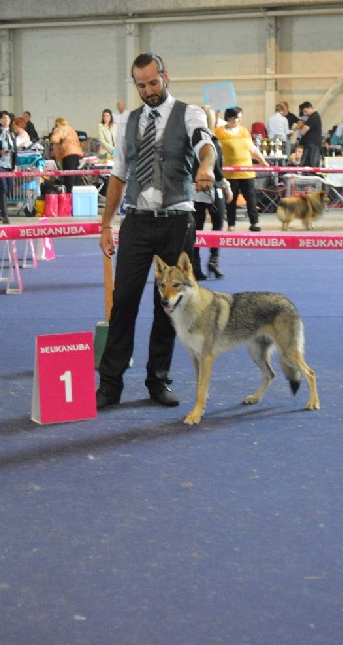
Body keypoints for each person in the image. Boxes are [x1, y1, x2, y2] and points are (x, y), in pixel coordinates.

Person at [96, 52, 216, 410]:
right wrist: (106, 225)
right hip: (137, 220)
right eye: (141, 85)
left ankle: (158, 380)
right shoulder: (128, 121)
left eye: (153, 82)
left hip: (177, 220)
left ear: (166, 76)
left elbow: (205, 145)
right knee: (124, 304)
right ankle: (110, 384)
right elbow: (119, 175)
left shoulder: (189, 112)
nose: (148, 90)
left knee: (168, 305)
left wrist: (205, 166)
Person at [192, 105, 233, 281]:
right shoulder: (211, 141)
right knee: (217, 225)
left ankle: (196, 265)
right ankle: (213, 260)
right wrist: (226, 184)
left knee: (197, 228)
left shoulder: (190, 139)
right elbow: (217, 168)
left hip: (194, 188)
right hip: (213, 187)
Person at [214, 106, 268, 232]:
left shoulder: (244, 131)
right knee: (230, 200)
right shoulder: (219, 132)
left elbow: (252, 149)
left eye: (239, 118)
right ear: (229, 117)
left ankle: (254, 222)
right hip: (230, 173)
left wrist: (263, 162)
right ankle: (231, 224)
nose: (238, 120)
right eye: (235, 117)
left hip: (247, 172)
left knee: (251, 199)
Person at [50, 117, 83, 193]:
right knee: (75, 176)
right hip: (77, 153)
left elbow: (54, 139)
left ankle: (69, 196)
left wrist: (54, 133)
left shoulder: (61, 128)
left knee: (68, 178)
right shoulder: (72, 129)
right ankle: (75, 196)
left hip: (68, 154)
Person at [295, 101, 323, 167]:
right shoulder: (313, 117)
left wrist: (299, 127)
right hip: (311, 145)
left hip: (312, 145)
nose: (305, 114)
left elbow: (302, 132)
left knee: (311, 165)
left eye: (305, 111)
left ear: (311, 108)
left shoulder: (314, 117)